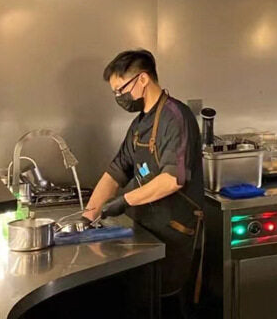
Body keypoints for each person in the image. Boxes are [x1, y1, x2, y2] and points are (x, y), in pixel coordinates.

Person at [83, 49, 205, 314]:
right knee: (144, 302)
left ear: (143, 79)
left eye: (121, 90)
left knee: (167, 303)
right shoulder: (139, 125)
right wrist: (88, 216)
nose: (119, 97)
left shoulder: (177, 118)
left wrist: (124, 201)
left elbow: (173, 179)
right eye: (115, 93)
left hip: (174, 231)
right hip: (147, 231)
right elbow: (116, 172)